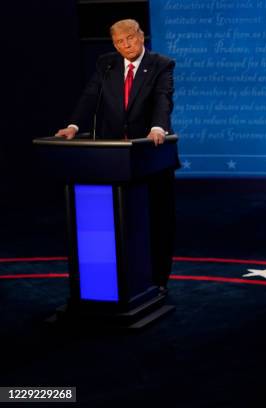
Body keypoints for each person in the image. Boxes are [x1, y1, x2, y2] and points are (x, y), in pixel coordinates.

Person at [56, 19, 178, 290]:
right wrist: (74, 125)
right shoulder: (106, 63)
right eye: (119, 42)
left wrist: (158, 127)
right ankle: (118, 280)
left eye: (130, 39)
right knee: (117, 222)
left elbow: (163, 98)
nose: (126, 46)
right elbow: (90, 95)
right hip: (111, 158)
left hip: (150, 154)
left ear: (141, 36)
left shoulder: (161, 64)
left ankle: (158, 280)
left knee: (157, 220)